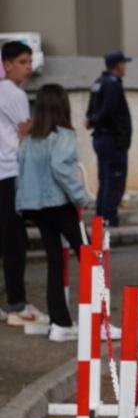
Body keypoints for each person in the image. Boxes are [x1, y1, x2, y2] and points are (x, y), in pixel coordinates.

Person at [16, 84, 88, 342]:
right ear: (62, 106)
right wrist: (82, 197)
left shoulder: (29, 139)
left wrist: (22, 205)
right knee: (91, 259)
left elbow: (20, 175)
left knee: (55, 263)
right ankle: (97, 322)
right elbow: (62, 168)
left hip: (37, 209)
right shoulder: (63, 135)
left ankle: (60, 323)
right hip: (60, 205)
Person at [0, 40, 44, 328]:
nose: (29, 68)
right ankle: (18, 305)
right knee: (15, 242)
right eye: (23, 62)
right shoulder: (13, 94)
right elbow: (26, 134)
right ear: (8, 65)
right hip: (10, 172)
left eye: (30, 62)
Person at [87, 50, 133, 228]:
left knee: (105, 181)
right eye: (124, 64)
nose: (125, 67)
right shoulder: (112, 84)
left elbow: (91, 111)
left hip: (101, 138)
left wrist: (92, 120)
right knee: (114, 182)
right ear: (118, 65)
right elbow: (109, 110)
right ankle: (108, 221)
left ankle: (100, 220)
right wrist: (97, 120)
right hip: (113, 140)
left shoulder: (98, 83)